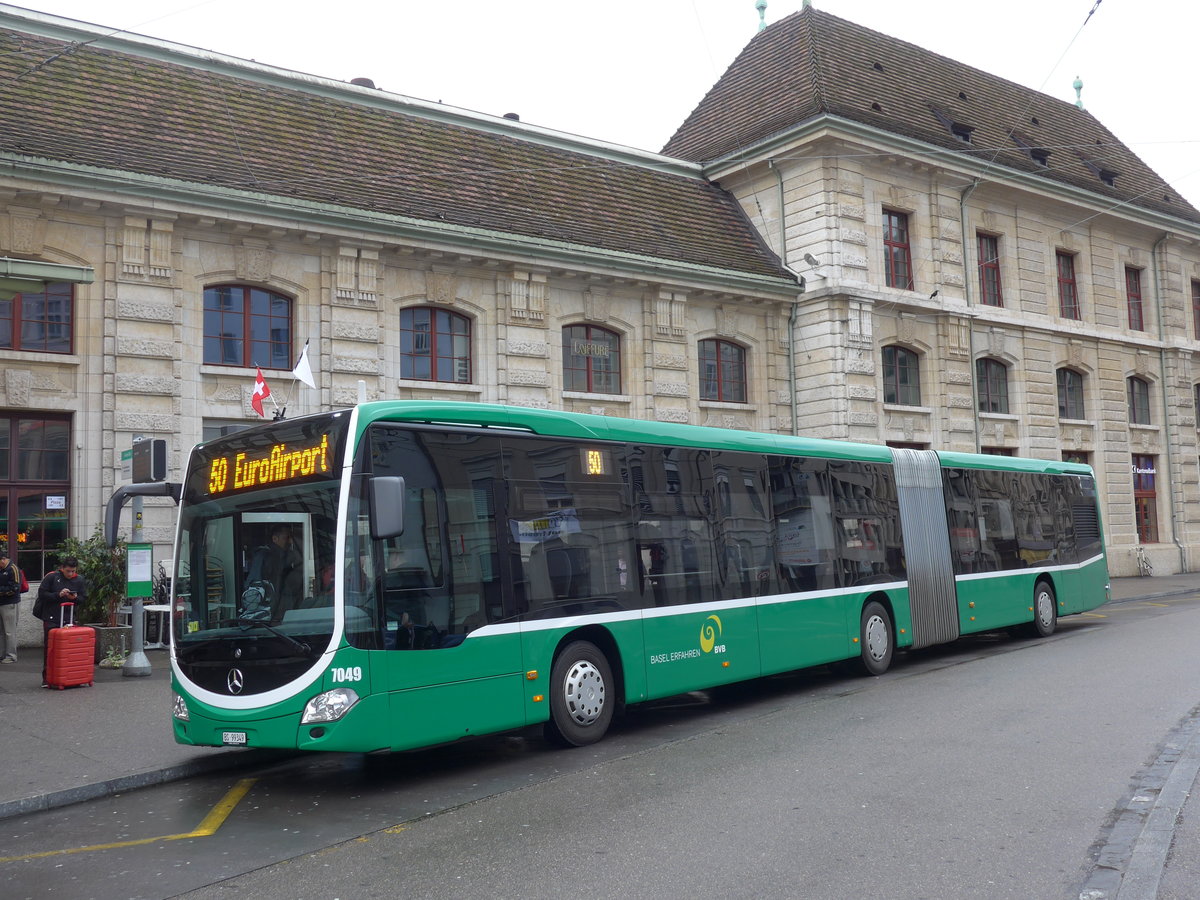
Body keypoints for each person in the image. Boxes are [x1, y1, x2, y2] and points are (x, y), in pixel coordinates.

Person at [36, 557, 86, 687]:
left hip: (69, 618)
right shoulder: (52, 577)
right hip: (52, 617)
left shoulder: (79, 580)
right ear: (62, 568)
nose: (70, 574)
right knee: (50, 648)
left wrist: (74, 598)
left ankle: (70, 676)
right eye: (68, 571)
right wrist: (58, 594)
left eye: (73, 571)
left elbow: (82, 598)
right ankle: (47, 678)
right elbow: (42, 595)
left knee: (70, 648)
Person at [246, 524, 302, 620]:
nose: (290, 541)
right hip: (271, 606)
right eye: (286, 538)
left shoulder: (282, 555)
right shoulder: (264, 555)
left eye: (290, 538)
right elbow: (255, 582)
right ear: (275, 539)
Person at [0, 548, 24, 663]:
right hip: (3, 602)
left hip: (10, 603)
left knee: (9, 631)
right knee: (2, 630)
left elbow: (15, 588)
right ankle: (2, 654)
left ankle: (11, 655)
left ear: (3, 560)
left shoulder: (13, 569)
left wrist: (1, 592)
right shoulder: (3, 568)